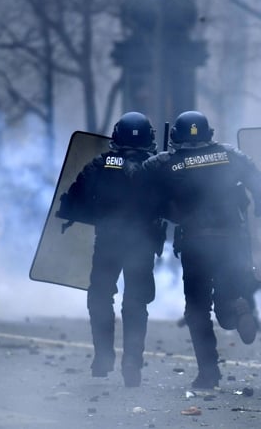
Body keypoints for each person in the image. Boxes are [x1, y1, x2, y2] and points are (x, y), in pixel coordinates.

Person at [139, 110, 261, 389]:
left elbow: (138, 186)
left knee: (197, 310)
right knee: (226, 305)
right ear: (208, 133)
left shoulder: (165, 163)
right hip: (232, 241)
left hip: (196, 243)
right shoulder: (231, 155)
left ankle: (208, 373)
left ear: (176, 136)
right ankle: (237, 307)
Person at [58, 112, 164, 387]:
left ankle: (103, 356)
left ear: (117, 136)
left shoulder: (101, 163)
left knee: (100, 296)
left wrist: (70, 213)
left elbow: (75, 196)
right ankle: (132, 362)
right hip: (142, 243)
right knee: (136, 302)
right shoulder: (157, 167)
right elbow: (176, 201)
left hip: (108, 242)